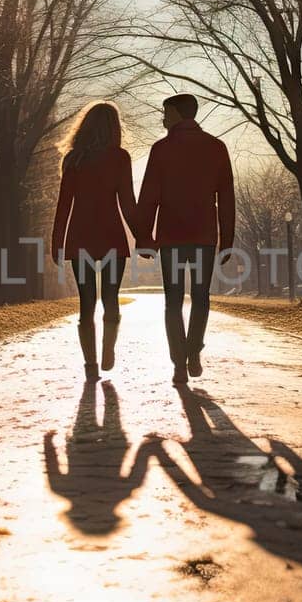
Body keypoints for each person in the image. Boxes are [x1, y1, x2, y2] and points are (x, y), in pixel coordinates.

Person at [135, 94, 235, 386]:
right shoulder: (217, 148)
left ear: (178, 114)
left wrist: (145, 236)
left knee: (173, 300)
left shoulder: (162, 149)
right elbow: (226, 197)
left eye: (166, 113)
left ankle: (179, 362)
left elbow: (149, 195)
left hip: (172, 237)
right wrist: (226, 238)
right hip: (204, 236)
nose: (162, 119)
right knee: (201, 296)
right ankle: (193, 351)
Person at [51, 102, 141, 381]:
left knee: (86, 303)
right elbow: (127, 203)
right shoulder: (120, 158)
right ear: (114, 127)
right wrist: (144, 237)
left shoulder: (74, 159)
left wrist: (57, 242)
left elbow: (64, 204)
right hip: (112, 235)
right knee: (111, 297)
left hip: (80, 236)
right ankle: (108, 351)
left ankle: (90, 364)